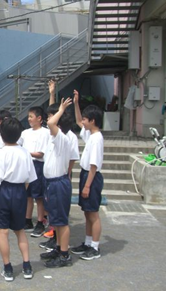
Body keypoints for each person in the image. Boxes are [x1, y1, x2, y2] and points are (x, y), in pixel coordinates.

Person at [0, 117, 35, 281]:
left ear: (2, 135)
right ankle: (27, 266)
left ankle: (8, 268)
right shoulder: (25, 153)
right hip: (20, 191)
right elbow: (28, 179)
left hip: (4, 191)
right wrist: (21, 193)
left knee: (3, 231)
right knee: (20, 231)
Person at [40, 88, 80, 268]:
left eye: (52, 117)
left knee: (61, 221)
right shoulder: (54, 138)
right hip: (51, 182)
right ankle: (58, 248)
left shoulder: (62, 138)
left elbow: (51, 123)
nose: (48, 120)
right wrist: (53, 98)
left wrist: (62, 110)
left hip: (58, 183)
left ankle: (64, 255)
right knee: (55, 219)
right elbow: (51, 123)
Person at [71, 89, 105, 259]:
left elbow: (93, 166)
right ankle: (88, 242)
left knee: (93, 213)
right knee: (87, 212)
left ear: (92, 121)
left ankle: (95, 247)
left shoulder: (97, 139)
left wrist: (87, 186)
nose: (82, 122)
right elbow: (78, 120)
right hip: (86, 175)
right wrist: (76, 103)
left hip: (91, 177)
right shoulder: (90, 135)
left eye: (85, 119)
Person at [23, 106, 50, 237]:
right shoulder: (25, 133)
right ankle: (27, 220)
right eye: (28, 116)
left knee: (38, 196)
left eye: (31, 116)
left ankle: (40, 222)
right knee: (28, 195)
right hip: (27, 165)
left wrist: (26, 153)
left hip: (38, 166)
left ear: (39, 118)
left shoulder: (45, 133)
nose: (29, 119)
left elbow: (41, 153)